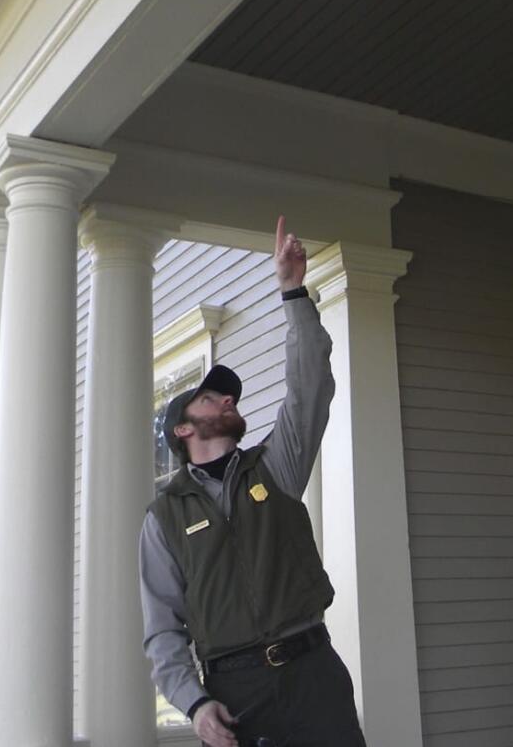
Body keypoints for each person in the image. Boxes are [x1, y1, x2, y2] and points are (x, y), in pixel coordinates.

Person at [139, 217, 366, 747]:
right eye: (210, 397)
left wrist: (292, 290)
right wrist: (194, 704)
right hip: (237, 694)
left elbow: (311, 385)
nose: (227, 399)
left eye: (229, 395)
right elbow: (162, 628)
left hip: (314, 676)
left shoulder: (275, 468)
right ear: (183, 427)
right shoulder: (164, 518)